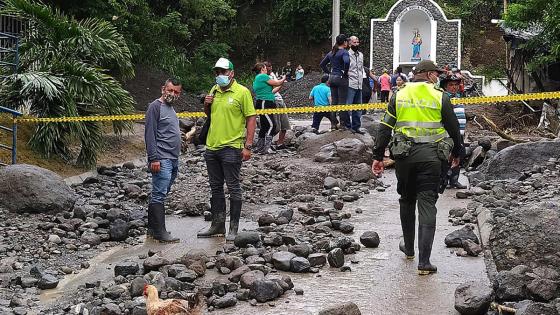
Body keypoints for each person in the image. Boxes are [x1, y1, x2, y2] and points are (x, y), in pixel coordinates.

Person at [372, 60, 464, 275]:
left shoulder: (399, 94)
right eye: (437, 74)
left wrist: (378, 155)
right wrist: (458, 153)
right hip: (432, 158)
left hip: (404, 157)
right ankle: (424, 262)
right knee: (427, 203)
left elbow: (385, 127)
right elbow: (453, 127)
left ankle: (410, 249)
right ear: (430, 75)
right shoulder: (440, 96)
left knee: (406, 200)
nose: (438, 77)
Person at [197, 58, 257, 241]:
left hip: (232, 147)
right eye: (217, 72)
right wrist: (206, 105)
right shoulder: (214, 90)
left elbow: (251, 118)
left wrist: (248, 145)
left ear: (231, 73)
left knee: (233, 187)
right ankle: (217, 225)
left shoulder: (242, 92)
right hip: (212, 146)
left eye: (223, 72)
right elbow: (211, 115)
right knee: (215, 187)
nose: (219, 76)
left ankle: (233, 228)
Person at [144, 78, 183, 243]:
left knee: (162, 191)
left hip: (173, 158)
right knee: (159, 192)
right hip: (161, 157)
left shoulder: (171, 108)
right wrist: (154, 158)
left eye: (176, 92)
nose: (172, 94)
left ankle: (153, 229)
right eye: (170, 90)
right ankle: (161, 232)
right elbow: (150, 134)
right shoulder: (155, 107)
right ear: (163, 89)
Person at [440, 73, 467, 189]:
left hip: (459, 133)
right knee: (447, 156)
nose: (454, 87)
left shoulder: (458, 97)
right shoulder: (444, 98)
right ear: (445, 87)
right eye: (451, 85)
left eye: (456, 85)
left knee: (459, 154)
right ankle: (444, 179)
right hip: (448, 133)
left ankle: (454, 180)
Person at [252, 62, 286, 154]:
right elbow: (277, 82)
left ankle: (260, 147)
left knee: (264, 126)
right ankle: (266, 147)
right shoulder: (263, 76)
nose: (267, 69)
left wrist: (280, 84)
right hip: (265, 103)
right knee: (272, 125)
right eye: (265, 68)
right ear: (262, 68)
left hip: (265, 101)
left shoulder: (258, 79)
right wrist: (283, 78)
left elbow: (272, 91)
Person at [320, 34, 350, 129]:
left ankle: (333, 124)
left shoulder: (331, 52)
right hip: (341, 78)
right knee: (342, 102)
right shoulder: (344, 52)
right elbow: (346, 62)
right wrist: (345, 72)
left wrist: (329, 73)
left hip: (332, 77)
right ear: (344, 42)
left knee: (334, 102)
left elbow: (322, 64)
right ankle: (342, 124)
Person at [265, 61, 290, 150]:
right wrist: (281, 82)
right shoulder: (264, 78)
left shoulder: (272, 74)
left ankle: (280, 142)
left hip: (280, 99)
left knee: (285, 125)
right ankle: (267, 142)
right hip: (274, 100)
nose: (270, 68)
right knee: (276, 126)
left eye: (270, 66)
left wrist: (280, 81)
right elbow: (271, 91)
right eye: (268, 66)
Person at [346, 36, 365, 134]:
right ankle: (347, 127)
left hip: (359, 84)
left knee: (358, 108)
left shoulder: (361, 55)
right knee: (348, 107)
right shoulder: (346, 54)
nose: (356, 44)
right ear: (350, 44)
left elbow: (361, 69)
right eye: (354, 42)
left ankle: (356, 127)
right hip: (350, 84)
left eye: (357, 42)